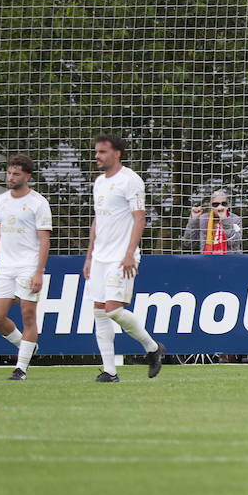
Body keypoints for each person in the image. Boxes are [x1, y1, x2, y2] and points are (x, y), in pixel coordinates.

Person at [84, 133, 164, 382]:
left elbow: (139, 217)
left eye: (102, 152)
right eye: (96, 151)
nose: (97, 156)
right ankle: (110, 371)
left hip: (121, 257)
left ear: (116, 154)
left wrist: (130, 253)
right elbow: (97, 219)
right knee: (99, 311)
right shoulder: (98, 182)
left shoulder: (130, 180)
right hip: (100, 258)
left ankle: (152, 348)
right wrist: (89, 256)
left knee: (114, 310)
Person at [0, 154, 52, 381]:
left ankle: (20, 368)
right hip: (4, 267)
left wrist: (38, 272)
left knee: (27, 315)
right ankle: (27, 346)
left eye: (16, 174)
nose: (10, 177)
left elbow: (44, 240)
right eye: (9, 173)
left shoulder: (38, 203)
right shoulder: (1, 201)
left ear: (27, 176)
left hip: (28, 266)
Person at [183, 189, 243, 253]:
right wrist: (194, 220)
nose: (220, 207)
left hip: (230, 260)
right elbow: (189, 243)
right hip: (208, 260)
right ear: (210, 206)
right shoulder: (203, 219)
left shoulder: (235, 219)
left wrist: (225, 220)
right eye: (215, 204)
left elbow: (234, 242)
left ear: (228, 206)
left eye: (224, 204)